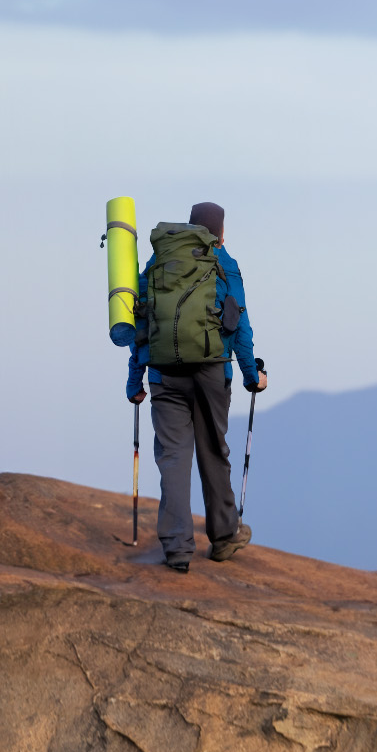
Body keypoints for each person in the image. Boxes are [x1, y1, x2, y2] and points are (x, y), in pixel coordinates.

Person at [123, 201, 265, 572]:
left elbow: (141, 324)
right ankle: (224, 537)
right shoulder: (224, 262)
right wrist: (252, 376)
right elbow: (239, 324)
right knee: (213, 452)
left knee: (173, 458)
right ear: (221, 233)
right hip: (212, 372)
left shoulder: (159, 261)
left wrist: (134, 381)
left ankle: (176, 549)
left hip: (163, 374)